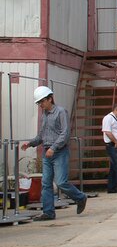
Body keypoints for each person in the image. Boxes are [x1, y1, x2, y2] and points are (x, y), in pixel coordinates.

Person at [21, 86, 87, 221]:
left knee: (61, 182)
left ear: (50, 99)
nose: (40, 105)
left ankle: (80, 197)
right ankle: (48, 212)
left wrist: (54, 147)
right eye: (39, 103)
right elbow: (41, 135)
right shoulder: (44, 115)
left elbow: (65, 133)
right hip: (47, 152)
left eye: (42, 102)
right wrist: (30, 143)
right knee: (46, 183)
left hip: (59, 152)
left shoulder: (61, 112)